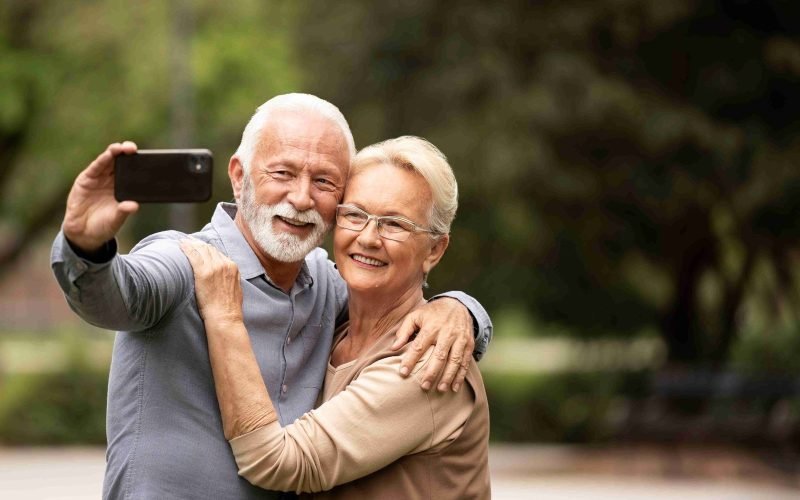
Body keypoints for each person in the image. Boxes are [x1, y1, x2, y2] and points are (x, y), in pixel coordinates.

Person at [50, 94, 492, 500]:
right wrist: (86, 248)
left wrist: (459, 309)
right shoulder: (186, 262)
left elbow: (394, 298)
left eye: (324, 181)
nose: (301, 198)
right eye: (282, 173)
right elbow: (116, 297)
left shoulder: (330, 288)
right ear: (239, 175)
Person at [180, 135, 490, 499]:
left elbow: (277, 462)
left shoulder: (426, 360)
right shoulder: (332, 327)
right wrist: (460, 305)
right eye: (355, 215)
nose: (368, 238)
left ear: (434, 249)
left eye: (394, 224)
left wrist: (224, 316)